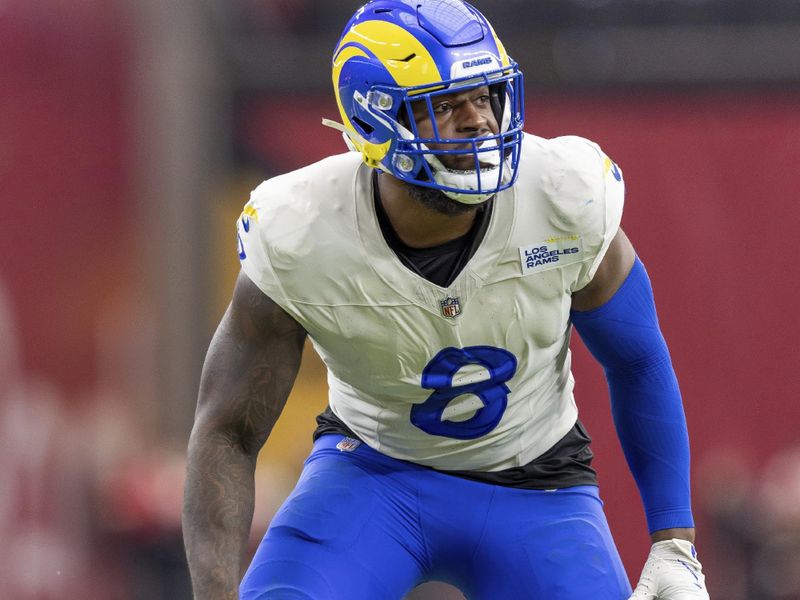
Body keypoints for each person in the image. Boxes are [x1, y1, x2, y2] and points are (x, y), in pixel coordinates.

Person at [182, 1, 711, 598]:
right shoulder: (302, 231)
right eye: (445, 105)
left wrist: (674, 545)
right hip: (370, 475)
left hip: (538, 484)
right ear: (376, 120)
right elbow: (227, 430)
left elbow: (637, 358)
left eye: (485, 97)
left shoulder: (563, 194)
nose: (480, 122)